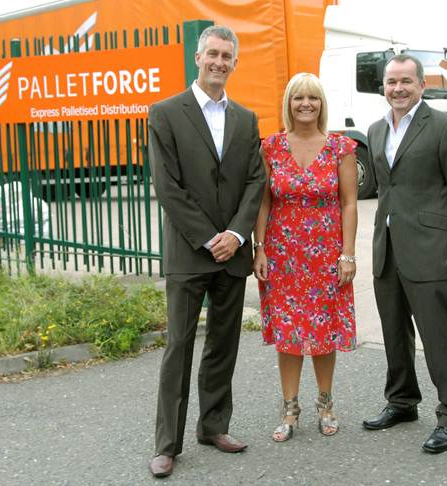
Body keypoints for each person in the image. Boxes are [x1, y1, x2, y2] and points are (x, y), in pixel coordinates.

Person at [147, 25, 265, 477]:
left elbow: (255, 180)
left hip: (231, 252)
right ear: (198, 57)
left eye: (226, 56)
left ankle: (214, 426)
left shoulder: (245, 119)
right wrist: (207, 237)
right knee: (179, 346)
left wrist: (235, 235)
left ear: (235, 63)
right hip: (189, 251)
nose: (219, 62)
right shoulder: (165, 113)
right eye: (212, 54)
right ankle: (167, 444)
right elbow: (168, 186)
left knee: (223, 343)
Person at [362, 54, 447, 453]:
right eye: (391, 82)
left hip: (429, 249)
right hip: (387, 247)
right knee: (394, 331)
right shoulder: (376, 130)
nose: (398, 88)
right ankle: (402, 401)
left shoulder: (443, 127)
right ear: (383, 86)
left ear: (421, 85)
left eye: (406, 81)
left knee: (438, 336)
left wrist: (445, 239)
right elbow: (385, 188)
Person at [253, 72, 358, 442]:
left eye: (312, 97)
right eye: (298, 97)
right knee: (289, 333)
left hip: (326, 254)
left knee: (324, 331)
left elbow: (349, 203)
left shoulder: (340, 147)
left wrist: (348, 254)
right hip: (283, 255)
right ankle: (289, 408)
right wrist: (259, 248)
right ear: (289, 103)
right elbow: (263, 202)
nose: (306, 104)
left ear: (321, 104)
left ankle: (326, 405)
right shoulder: (271, 147)